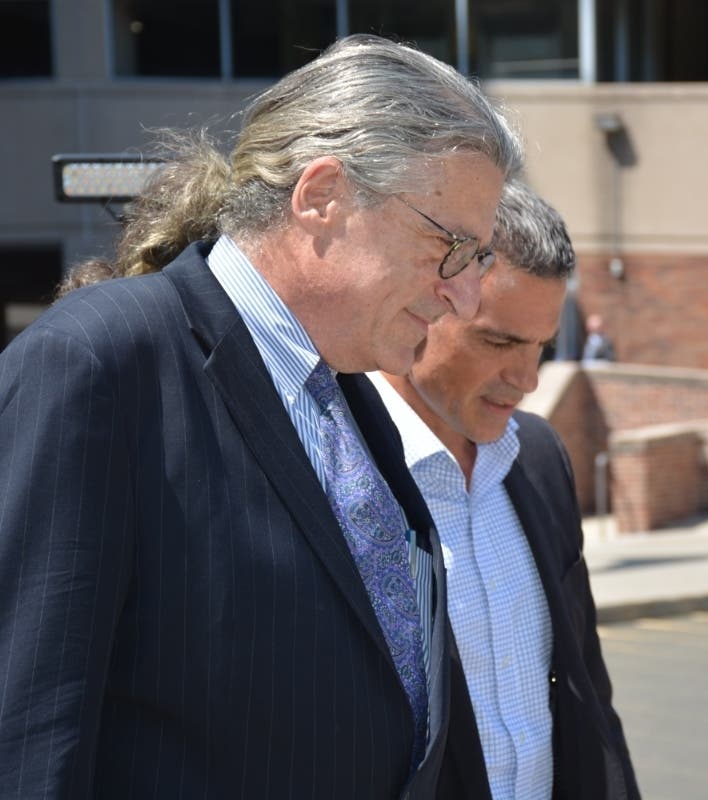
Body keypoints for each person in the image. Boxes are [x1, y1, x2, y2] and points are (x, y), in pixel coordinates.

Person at [0, 34, 522, 799]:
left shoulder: (345, 390)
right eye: (448, 247)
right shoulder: (97, 365)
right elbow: (29, 738)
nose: (463, 296)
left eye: (475, 261)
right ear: (321, 198)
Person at [370, 180, 640, 798]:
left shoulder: (541, 457)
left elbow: (586, 690)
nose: (526, 379)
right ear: (425, 303)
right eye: (498, 341)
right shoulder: (337, 469)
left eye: (543, 347)